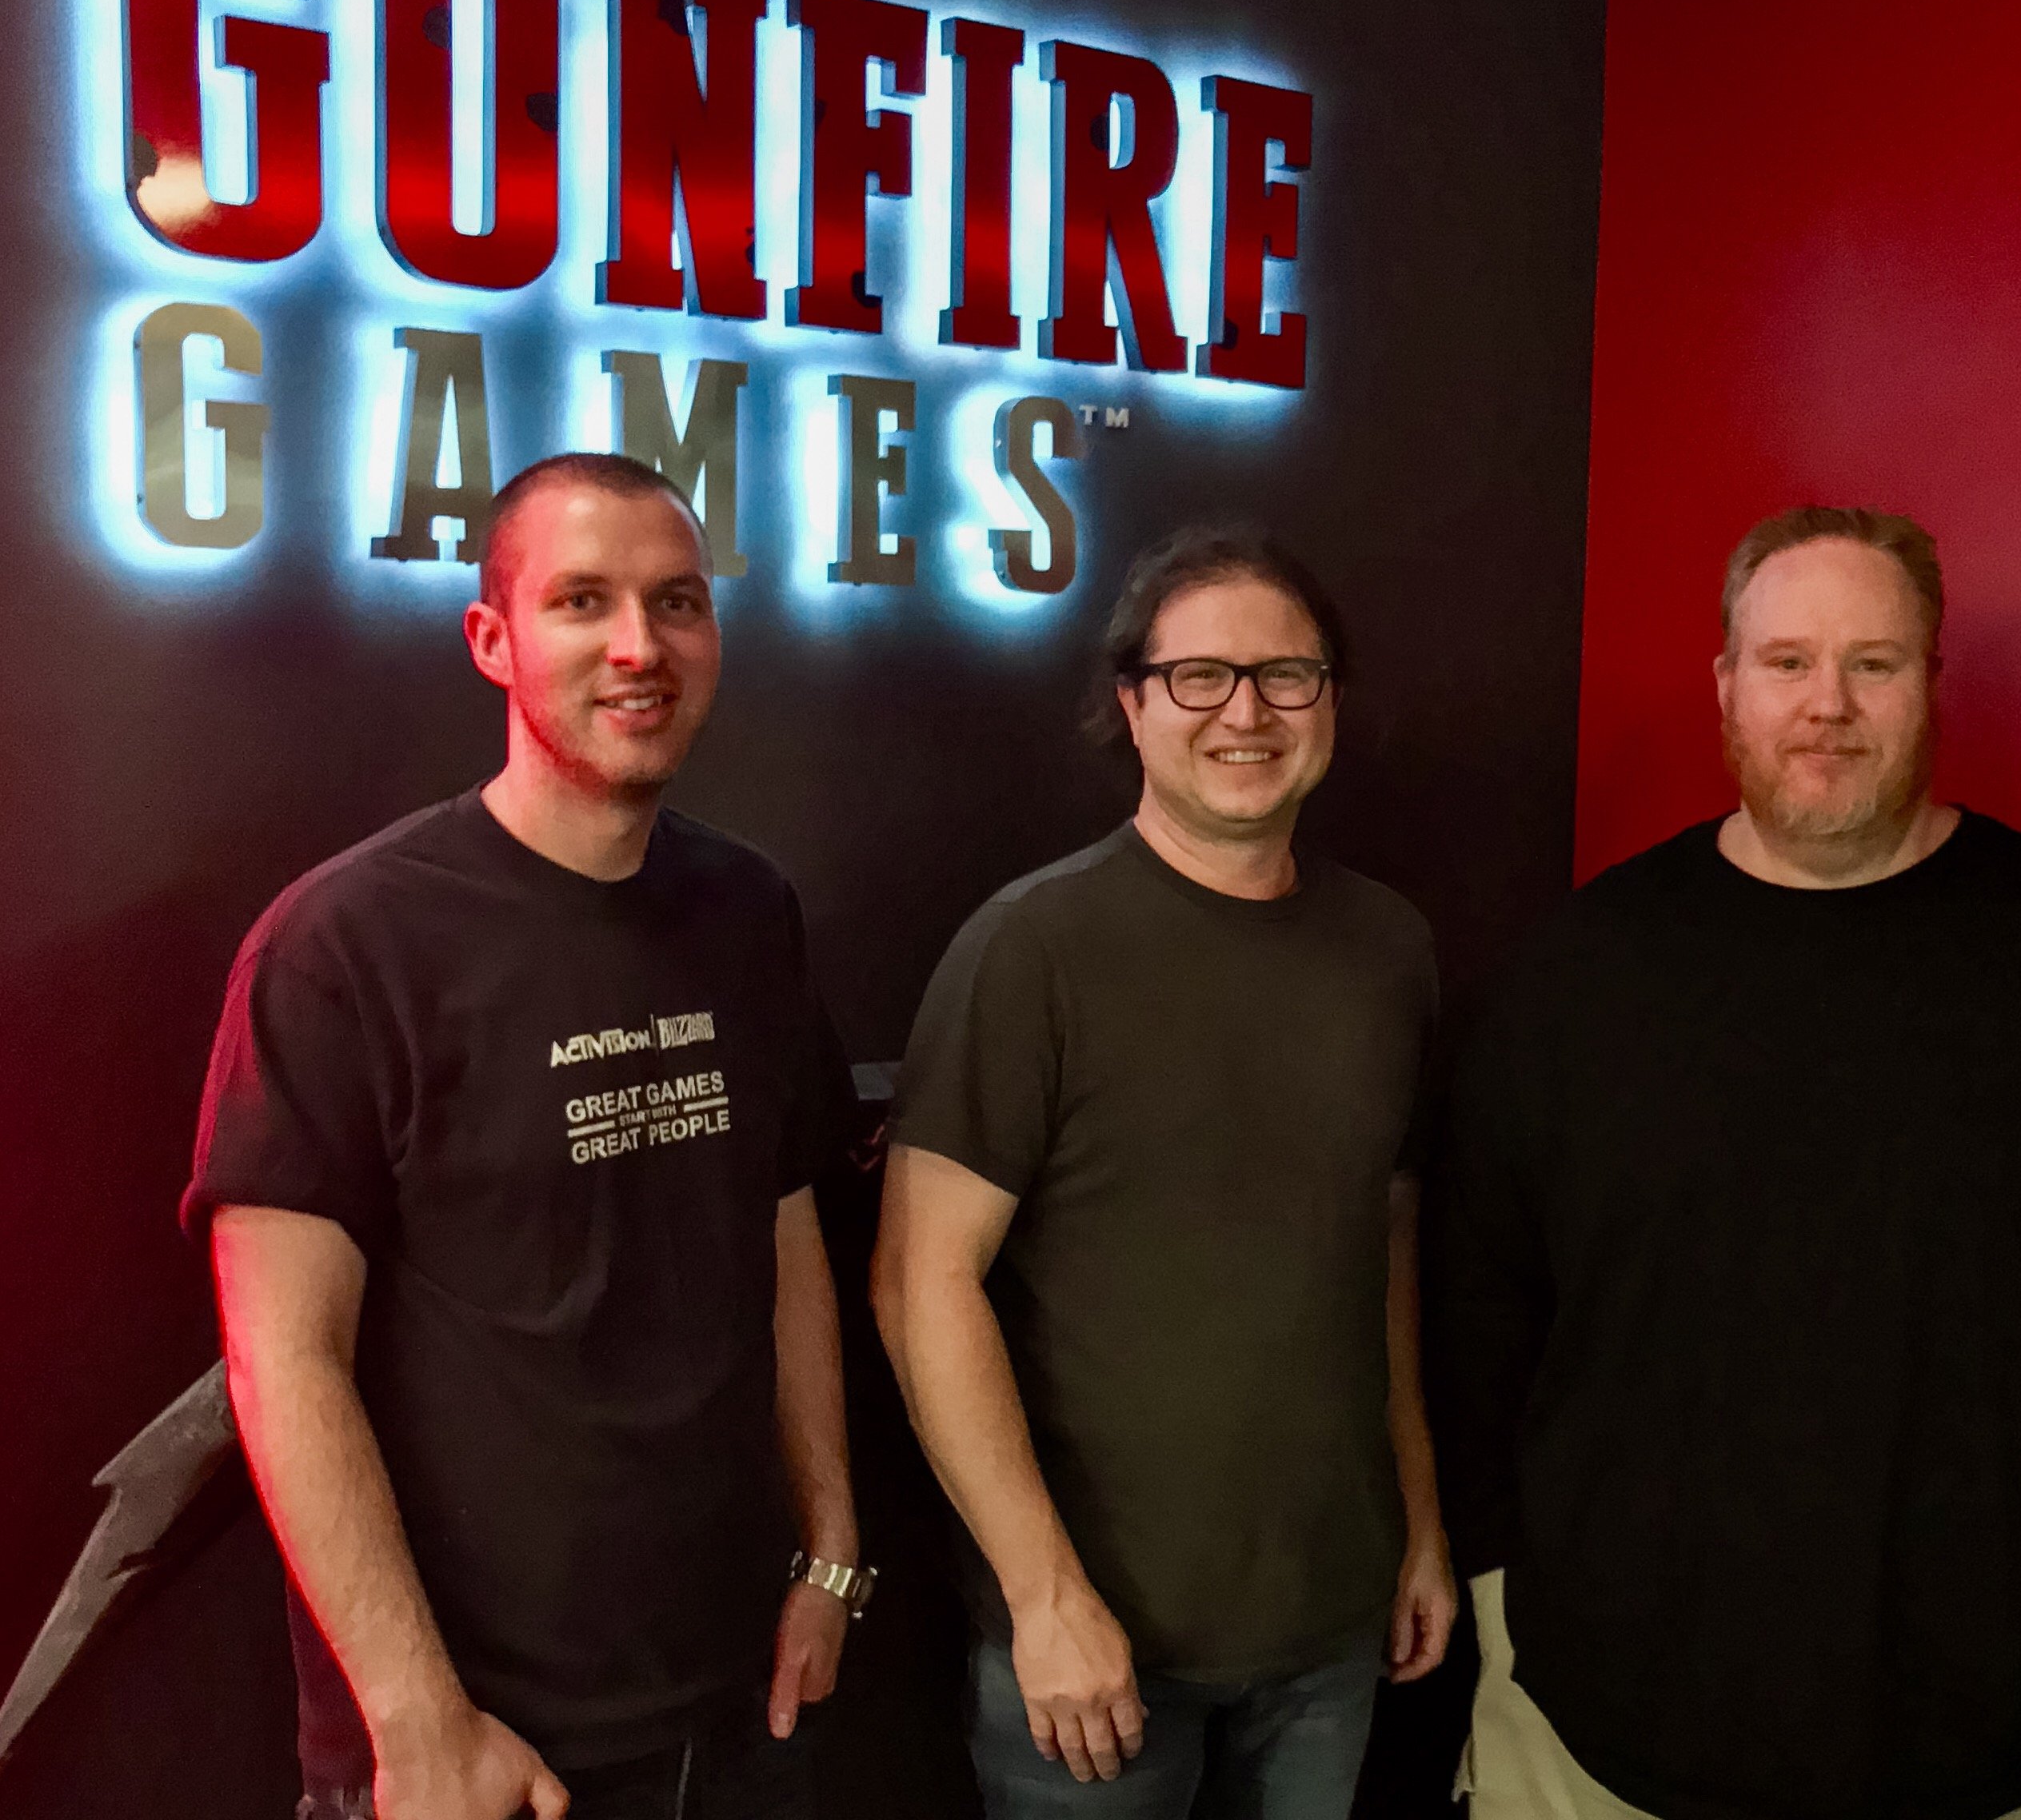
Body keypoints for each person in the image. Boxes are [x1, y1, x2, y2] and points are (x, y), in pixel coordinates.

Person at [1428, 506, 2021, 1820]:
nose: (1829, 707)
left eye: (1875, 663)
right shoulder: (1579, 977)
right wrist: (1502, 1610)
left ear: (1934, 684)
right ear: (1726, 686)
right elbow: (1480, 1321)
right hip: (1608, 1737)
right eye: (1788, 662)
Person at [187, 453, 866, 1820]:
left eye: (677, 602)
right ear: (493, 642)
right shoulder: (344, 945)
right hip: (488, 1748)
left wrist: (832, 1547)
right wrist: (416, 1716)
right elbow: (282, 1359)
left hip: (739, 1698)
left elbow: (783, 1223)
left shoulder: (749, 910)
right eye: (581, 601)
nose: (639, 646)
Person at [873, 526, 1455, 1820]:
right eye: (1200, 677)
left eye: (1285, 675)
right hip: (1095, 1656)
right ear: (1132, 706)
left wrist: (1417, 1520)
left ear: (1330, 703)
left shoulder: (1389, 951)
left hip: (1329, 1630)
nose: (1245, 711)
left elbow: (1385, 1248)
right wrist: (1043, 1597)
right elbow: (921, 1286)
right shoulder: (1032, 949)